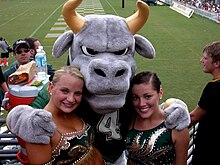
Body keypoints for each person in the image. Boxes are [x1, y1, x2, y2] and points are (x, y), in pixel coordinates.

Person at [7, 66, 104, 165]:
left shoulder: (76, 110)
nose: (71, 99)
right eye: (64, 91)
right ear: (51, 88)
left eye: (77, 93)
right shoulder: (39, 127)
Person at [125, 71, 190, 165]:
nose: (141, 104)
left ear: (160, 93)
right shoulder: (130, 119)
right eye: (135, 98)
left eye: (147, 97)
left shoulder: (176, 126)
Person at [189, 41, 220, 165]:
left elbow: (194, 116)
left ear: (217, 63)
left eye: (206, 58)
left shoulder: (213, 88)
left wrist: (167, 129)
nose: (201, 60)